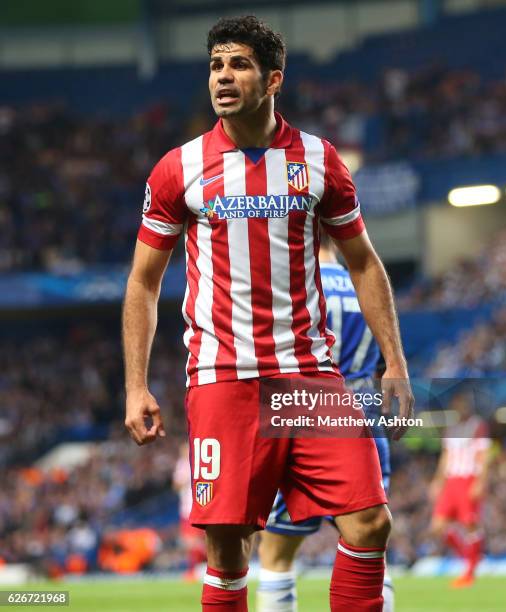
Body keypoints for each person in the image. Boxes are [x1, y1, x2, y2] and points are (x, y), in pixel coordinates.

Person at [123, 15, 413, 611]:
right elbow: (143, 282)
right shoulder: (179, 168)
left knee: (370, 525)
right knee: (229, 552)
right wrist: (135, 386)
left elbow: (364, 263)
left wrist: (395, 362)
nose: (223, 77)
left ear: (273, 78)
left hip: (307, 375)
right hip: (222, 379)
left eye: (239, 64)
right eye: (215, 66)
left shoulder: (318, 159)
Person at [257, 235, 394, 612]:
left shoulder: (293, 281)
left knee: (276, 554)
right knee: (370, 551)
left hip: (303, 419)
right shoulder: (365, 281)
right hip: (363, 420)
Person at [429, 391, 491, 588]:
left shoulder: (477, 426)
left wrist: (480, 480)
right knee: (437, 527)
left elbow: (484, 454)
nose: (460, 408)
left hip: (468, 478)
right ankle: (470, 558)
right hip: (451, 481)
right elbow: (445, 457)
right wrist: (438, 481)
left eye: (463, 404)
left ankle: (470, 572)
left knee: (470, 525)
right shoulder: (451, 429)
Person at [174, 442, 207, 581]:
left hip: (202, 506)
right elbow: (176, 485)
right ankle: (193, 570)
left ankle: (205, 569)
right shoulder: (182, 464)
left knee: (202, 541)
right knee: (190, 541)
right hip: (187, 508)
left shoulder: (202, 461)